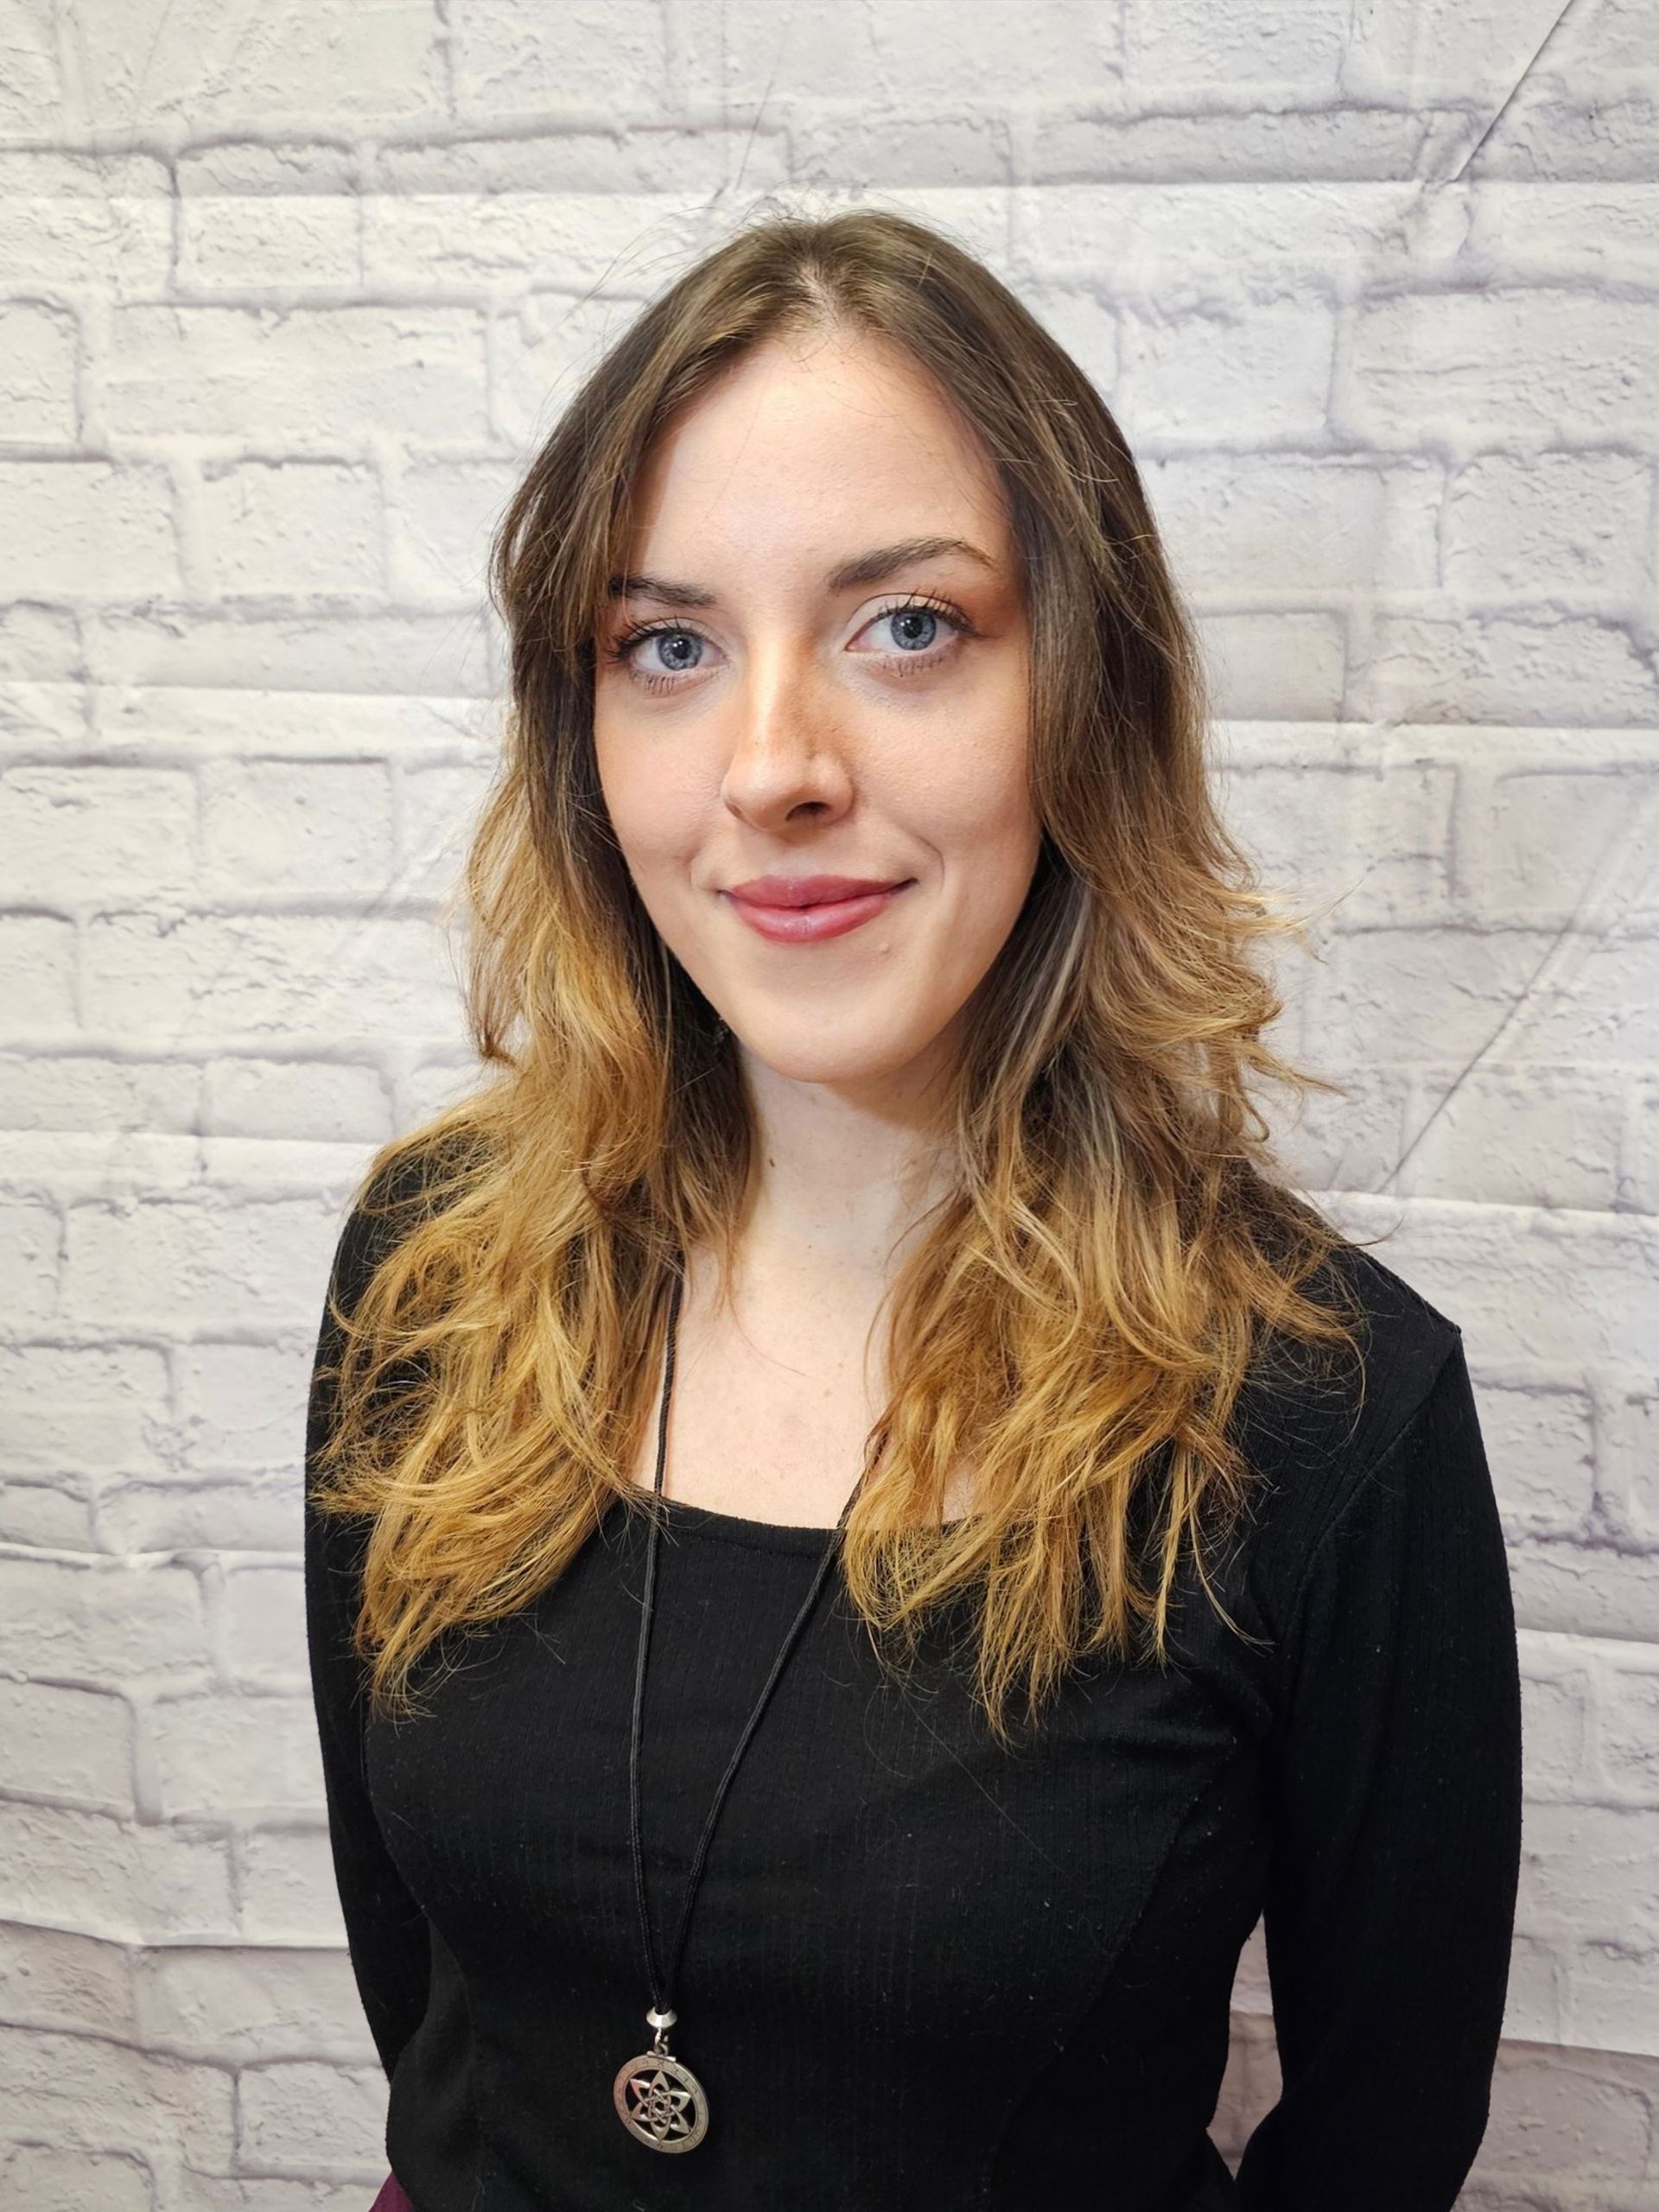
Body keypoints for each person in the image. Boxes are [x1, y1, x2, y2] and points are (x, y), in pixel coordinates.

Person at [304, 207, 1522, 2212]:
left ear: (1084, 696)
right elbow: (431, 2003)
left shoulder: (1322, 1409)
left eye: (910, 626)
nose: (771, 766)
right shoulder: (430, 1272)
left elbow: (1381, 2140)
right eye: (668, 645)